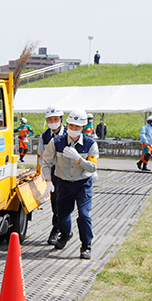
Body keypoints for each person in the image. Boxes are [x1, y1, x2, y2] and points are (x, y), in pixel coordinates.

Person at [41, 109, 98, 260]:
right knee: (62, 217)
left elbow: (92, 168)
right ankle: (65, 234)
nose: (73, 129)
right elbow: (45, 162)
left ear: (83, 127)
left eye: (77, 127)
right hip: (64, 184)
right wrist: (48, 181)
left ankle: (86, 245)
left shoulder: (90, 144)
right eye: (71, 126)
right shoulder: (56, 142)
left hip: (82, 184)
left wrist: (79, 159)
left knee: (84, 215)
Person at [38, 106, 67, 246]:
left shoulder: (69, 132)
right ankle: (56, 228)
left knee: (64, 203)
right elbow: (41, 156)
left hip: (68, 173)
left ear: (61, 119)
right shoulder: (44, 136)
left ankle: (64, 229)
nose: (53, 121)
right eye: (50, 119)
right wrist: (45, 173)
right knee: (55, 202)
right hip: (53, 173)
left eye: (56, 119)